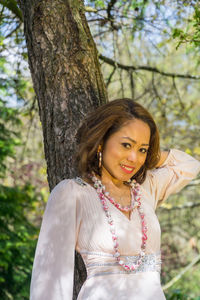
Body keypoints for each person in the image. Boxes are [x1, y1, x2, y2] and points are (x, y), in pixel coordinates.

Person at [30, 98, 200, 300]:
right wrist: (139, 151)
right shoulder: (73, 193)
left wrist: (150, 156)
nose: (133, 158)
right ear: (101, 142)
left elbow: (189, 166)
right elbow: (50, 281)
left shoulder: (146, 189)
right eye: (126, 145)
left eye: (142, 149)